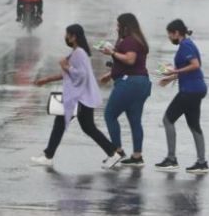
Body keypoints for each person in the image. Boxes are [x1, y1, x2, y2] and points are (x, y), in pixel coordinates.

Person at [31, 24, 124, 169]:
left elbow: (81, 74)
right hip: (81, 97)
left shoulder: (79, 53)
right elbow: (69, 74)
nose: (66, 37)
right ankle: (113, 153)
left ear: (74, 36)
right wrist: (47, 79)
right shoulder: (77, 52)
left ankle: (48, 156)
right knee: (86, 127)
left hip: (80, 97)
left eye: (67, 34)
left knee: (66, 124)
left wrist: (66, 66)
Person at [156, 19, 209, 174]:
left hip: (190, 90)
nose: (168, 37)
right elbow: (190, 69)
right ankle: (202, 162)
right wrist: (171, 78)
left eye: (169, 34)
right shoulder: (187, 44)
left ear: (176, 33)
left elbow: (195, 65)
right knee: (194, 125)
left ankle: (171, 159)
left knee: (168, 119)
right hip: (196, 89)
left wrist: (174, 72)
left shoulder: (186, 45)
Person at [100, 13, 152, 167]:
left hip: (129, 84)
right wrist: (110, 74)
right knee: (135, 120)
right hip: (141, 82)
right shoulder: (138, 40)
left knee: (110, 115)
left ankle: (117, 151)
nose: (116, 28)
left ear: (125, 26)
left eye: (118, 25)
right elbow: (134, 65)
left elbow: (130, 60)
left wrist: (112, 53)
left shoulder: (130, 41)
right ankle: (137, 156)